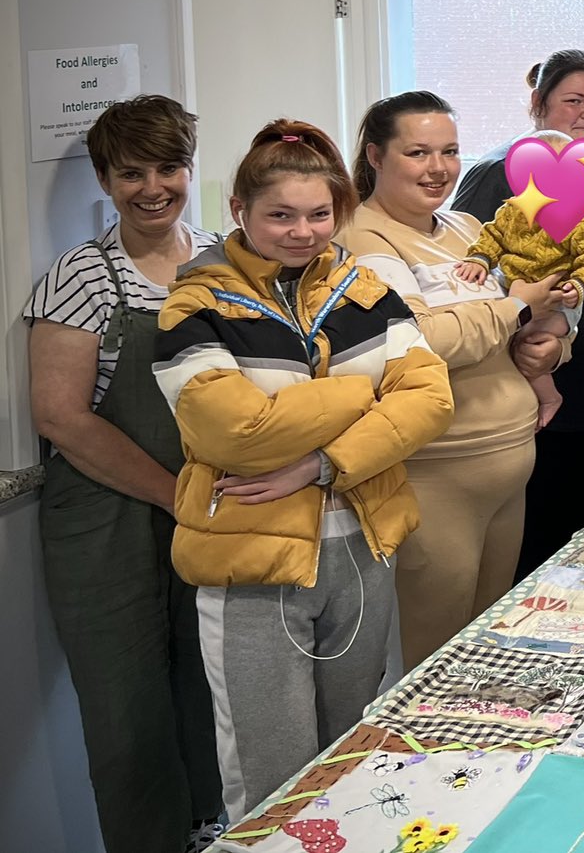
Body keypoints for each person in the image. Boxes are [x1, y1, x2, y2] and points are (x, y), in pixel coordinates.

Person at [154, 119, 453, 818]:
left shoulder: (367, 292)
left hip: (361, 551)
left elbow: (432, 399)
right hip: (253, 567)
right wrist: (361, 393)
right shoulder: (193, 304)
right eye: (280, 216)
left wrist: (322, 464)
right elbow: (238, 434)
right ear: (239, 211)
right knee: (272, 773)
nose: (302, 232)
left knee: (350, 756)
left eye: (320, 214)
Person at [25, 95, 223, 853]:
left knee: (209, 689)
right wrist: (175, 495)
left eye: (168, 167)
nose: (152, 187)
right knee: (127, 708)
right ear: (105, 180)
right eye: (130, 172)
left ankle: (214, 833)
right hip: (108, 517)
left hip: (206, 505)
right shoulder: (79, 277)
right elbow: (62, 418)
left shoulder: (218, 259)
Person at [339, 91, 566, 668]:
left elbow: (525, 315)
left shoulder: (467, 227)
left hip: (509, 468)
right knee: (433, 657)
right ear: (375, 156)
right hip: (435, 479)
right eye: (418, 152)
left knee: (485, 651)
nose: (438, 168)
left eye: (449, 151)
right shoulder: (364, 239)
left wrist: (549, 348)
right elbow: (418, 342)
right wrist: (513, 312)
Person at [451, 49, 584, 576]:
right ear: (538, 104)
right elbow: (465, 273)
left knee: (577, 543)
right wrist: (526, 343)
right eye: (573, 100)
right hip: (538, 394)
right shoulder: (500, 169)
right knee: (533, 549)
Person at [451, 127, 584, 428]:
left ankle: (550, 397)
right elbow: (492, 236)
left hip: (559, 300)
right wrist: (480, 259)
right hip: (517, 292)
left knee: (531, 340)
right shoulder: (512, 212)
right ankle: (521, 399)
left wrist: (580, 285)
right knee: (505, 339)